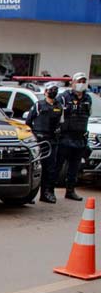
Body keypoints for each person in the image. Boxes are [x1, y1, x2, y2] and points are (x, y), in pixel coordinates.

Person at [25, 81, 63, 203]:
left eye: (55, 90)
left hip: (52, 141)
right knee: (34, 168)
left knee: (50, 169)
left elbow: (61, 123)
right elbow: (28, 122)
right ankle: (29, 195)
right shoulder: (38, 105)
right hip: (39, 141)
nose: (53, 92)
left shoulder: (59, 106)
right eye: (51, 90)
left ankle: (47, 193)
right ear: (45, 92)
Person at [57, 72, 92, 201]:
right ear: (72, 82)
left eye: (83, 81)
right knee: (58, 165)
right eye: (79, 81)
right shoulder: (64, 97)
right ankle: (48, 190)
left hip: (80, 137)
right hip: (65, 136)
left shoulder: (88, 98)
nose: (81, 84)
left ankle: (70, 191)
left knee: (74, 167)